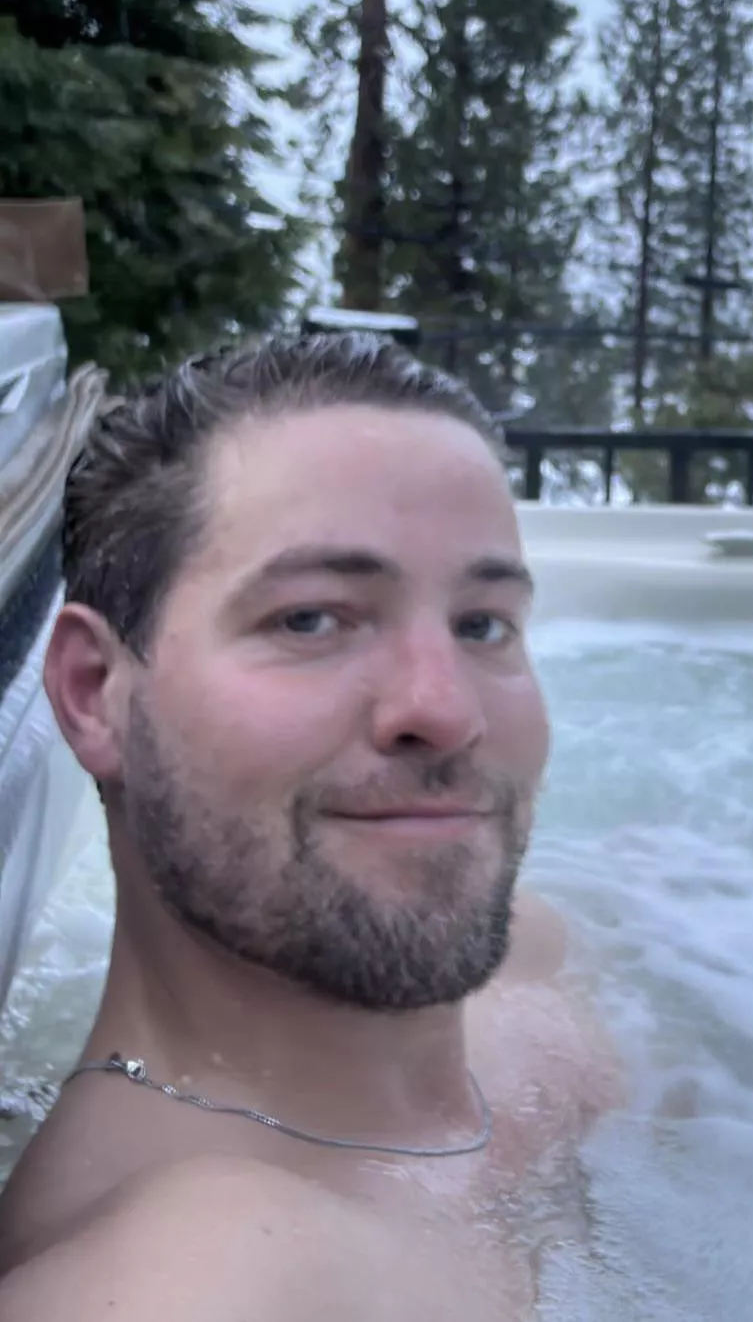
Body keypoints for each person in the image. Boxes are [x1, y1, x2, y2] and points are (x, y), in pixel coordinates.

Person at [0, 332, 622, 1319]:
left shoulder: (525, 968)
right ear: (93, 693)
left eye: (482, 624)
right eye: (311, 620)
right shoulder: (196, 1279)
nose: (444, 708)